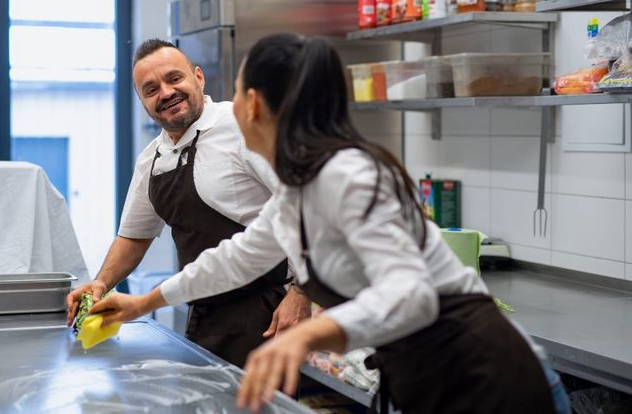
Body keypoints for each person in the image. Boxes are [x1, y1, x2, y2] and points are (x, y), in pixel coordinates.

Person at [89, 33, 557, 414]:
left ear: (252, 105)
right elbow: (236, 258)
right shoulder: (300, 186)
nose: (227, 104)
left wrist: (306, 335)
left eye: (234, 91)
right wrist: (143, 302)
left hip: (483, 373)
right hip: (426, 374)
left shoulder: (348, 174)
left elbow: (412, 295)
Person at [66, 38, 310, 368]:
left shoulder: (241, 126)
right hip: (203, 314)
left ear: (198, 77)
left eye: (174, 78)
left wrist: (301, 293)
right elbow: (134, 236)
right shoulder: (152, 159)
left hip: (266, 314)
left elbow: (303, 204)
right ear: (143, 103)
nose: (165, 93)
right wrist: (101, 283)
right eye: (151, 90)